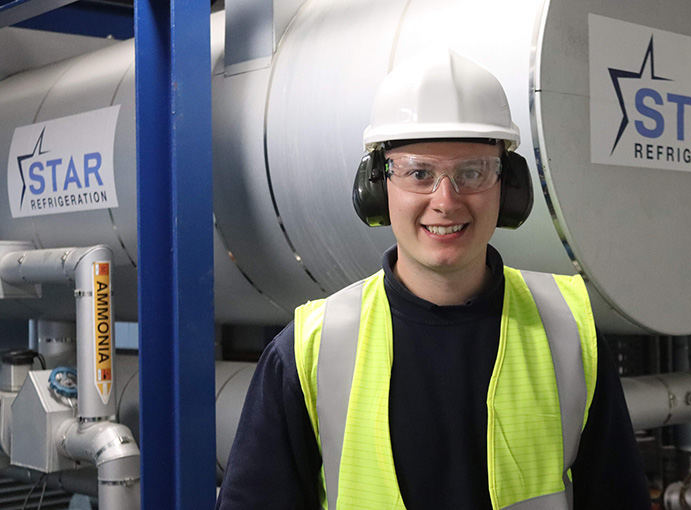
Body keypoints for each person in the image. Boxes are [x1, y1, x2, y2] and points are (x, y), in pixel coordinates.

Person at [216, 47, 651, 509]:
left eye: (472, 172)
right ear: (377, 187)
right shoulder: (309, 351)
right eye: (419, 173)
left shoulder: (569, 333)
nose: (445, 201)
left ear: (510, 187)